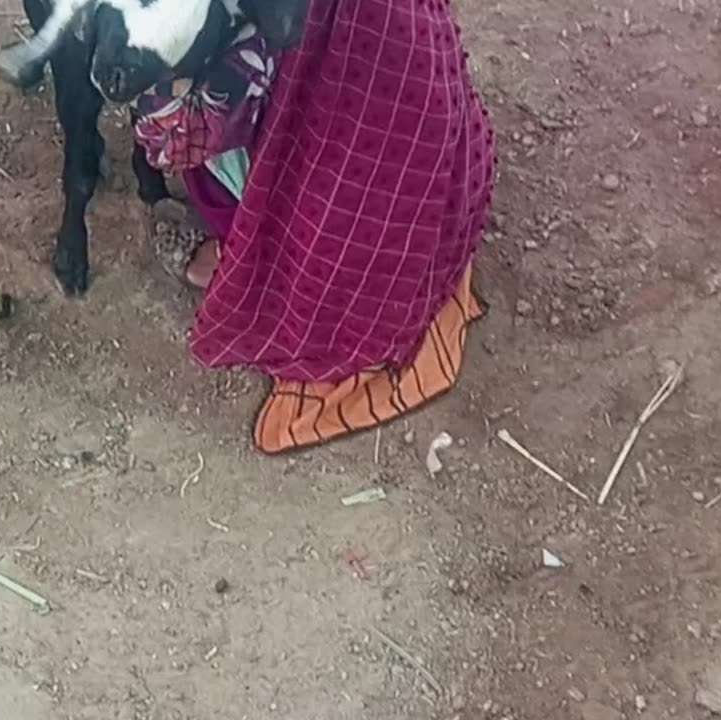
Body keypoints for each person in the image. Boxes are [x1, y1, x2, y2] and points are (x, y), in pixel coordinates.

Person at [134, 0, 495, 454]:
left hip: (333, 223)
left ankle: (235, 256)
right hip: (438, 186)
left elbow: (182, 132)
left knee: (199, 100)